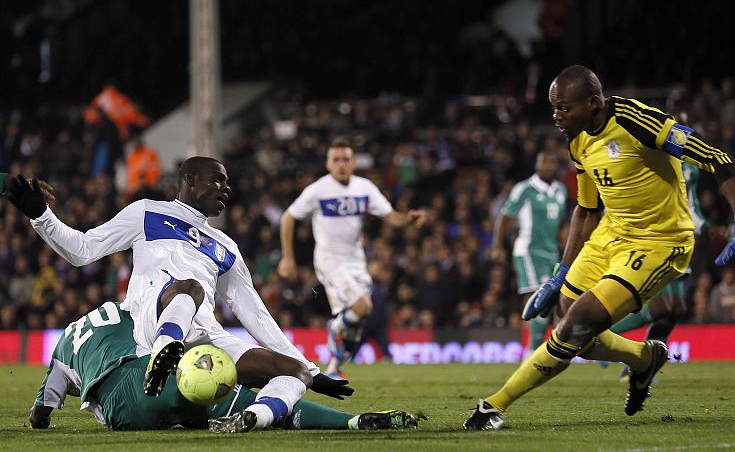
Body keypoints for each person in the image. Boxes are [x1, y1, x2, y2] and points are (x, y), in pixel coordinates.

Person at [464, 65, 735, 429]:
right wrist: (561, 272)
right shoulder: (577, 140)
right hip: (610, 234)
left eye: (564, 108)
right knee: (569, 318)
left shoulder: (639, 121)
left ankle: (494, 405)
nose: (556, 116)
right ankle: (644, 358)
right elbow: (586, 209)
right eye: (554, 107)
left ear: (594, 103)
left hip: (659, 242)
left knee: (577, 324)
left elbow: (717, 157)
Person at [7, 157, 352, 431]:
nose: (226, 187)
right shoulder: (147, 212)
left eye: (228, 182)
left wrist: (311, 368)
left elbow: (255, 313)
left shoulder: (226, 246)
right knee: (189, 287)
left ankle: (253, 419)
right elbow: (82, 249)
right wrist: (41, 215)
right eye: (218, 179)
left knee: (294, 374)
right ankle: (163, 353)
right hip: (156, 318)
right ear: (190, 181)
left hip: (206, 337)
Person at [30, 302, 417, 432]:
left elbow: (40, 414)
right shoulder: (133, 310)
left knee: (192, 405)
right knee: (249, 399)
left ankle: (226, 411)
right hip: (153, 373)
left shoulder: (65, 344)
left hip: (122, 407)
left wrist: (62, 393)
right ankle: (351, 422)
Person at [277, 138, 427, 378]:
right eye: (336, 160)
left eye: (346, 159)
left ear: (353, 162)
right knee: (363, 307)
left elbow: (390, 216)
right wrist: (287, 257)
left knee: (358, 321)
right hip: (329, 260)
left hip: (356, 261)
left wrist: (407, 218)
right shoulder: (318, 190)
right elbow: (288, 217)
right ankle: (334, 326)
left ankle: (335, 369)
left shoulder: (364, 188)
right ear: (328, 164)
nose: (341, 164)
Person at [609, 159, 710, 379]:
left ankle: (644, 365)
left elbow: (690, 204)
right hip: (657, 236)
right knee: (664, 307)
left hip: (682, 239)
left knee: (675, 310)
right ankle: (605, 335)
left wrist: (705, 227)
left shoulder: (689, 165)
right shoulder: (652, 153)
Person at [490, 150, 568, 355]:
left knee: (549, 302)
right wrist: (497, 246)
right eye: (545, 163)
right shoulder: (524, 189)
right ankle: (532, 352)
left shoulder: (561, 190)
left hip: (551, 253)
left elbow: (561, 223)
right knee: (537, 296)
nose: (549, 167)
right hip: (528, 250)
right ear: (537, 165)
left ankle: (536, 350)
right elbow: (505, 217)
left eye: (552, 163)